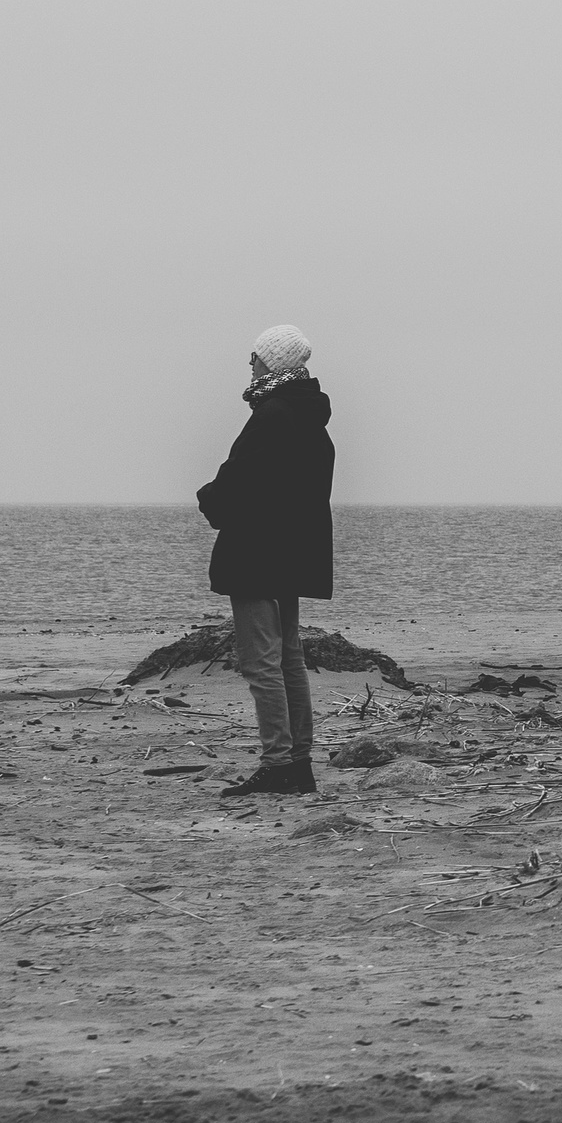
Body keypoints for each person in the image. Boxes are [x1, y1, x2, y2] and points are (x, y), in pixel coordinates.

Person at [197, 325, 335, 796]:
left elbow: (240, 482)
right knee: (289, 660)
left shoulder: (273, 414)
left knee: (262, 663)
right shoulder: (311, 418)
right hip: (292, 555)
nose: (250, 364)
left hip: (258, 553)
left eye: (255, 356)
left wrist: (208, 498)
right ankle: (299, 764)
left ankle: (279, 763)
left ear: (273, 362)